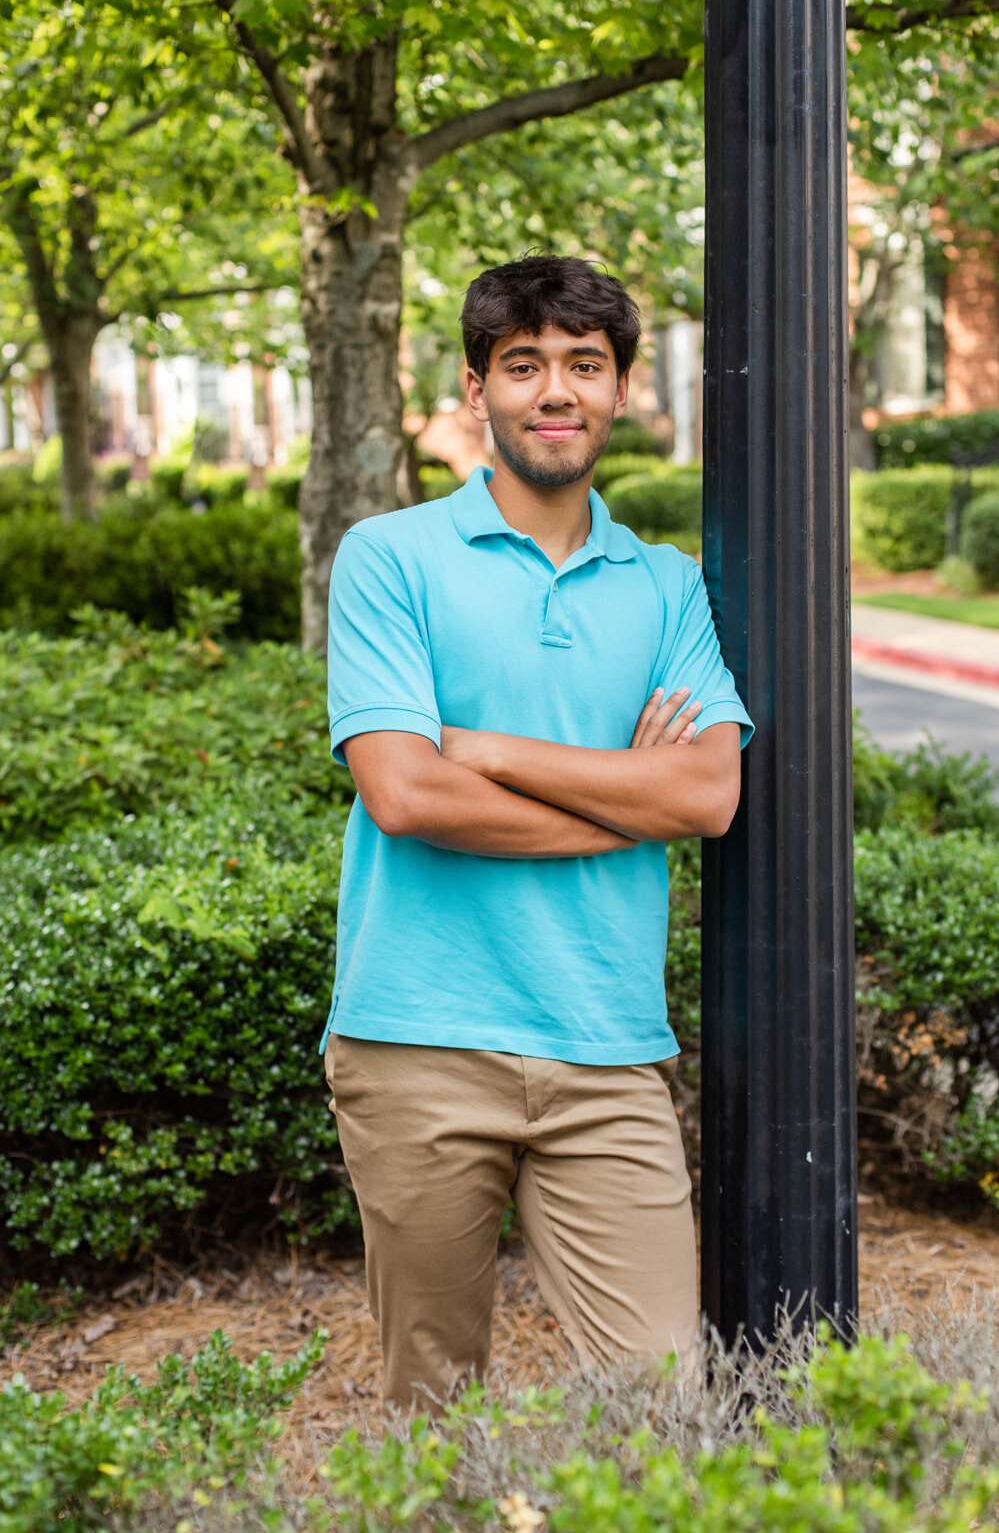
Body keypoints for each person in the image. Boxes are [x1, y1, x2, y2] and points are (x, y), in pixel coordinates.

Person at [323, 254, 753, 1409]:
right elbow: (404, 795)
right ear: (476, 390)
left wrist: (488, 747)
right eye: (523, 366)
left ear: (619, 390)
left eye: (582, 365)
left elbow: (705, 796)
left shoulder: (665, 587)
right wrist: (622, 795)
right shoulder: (390, 559)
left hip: (605, 1051)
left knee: (662, 1403)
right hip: (416, 1040)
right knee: (434, 1411)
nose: (552, 391)